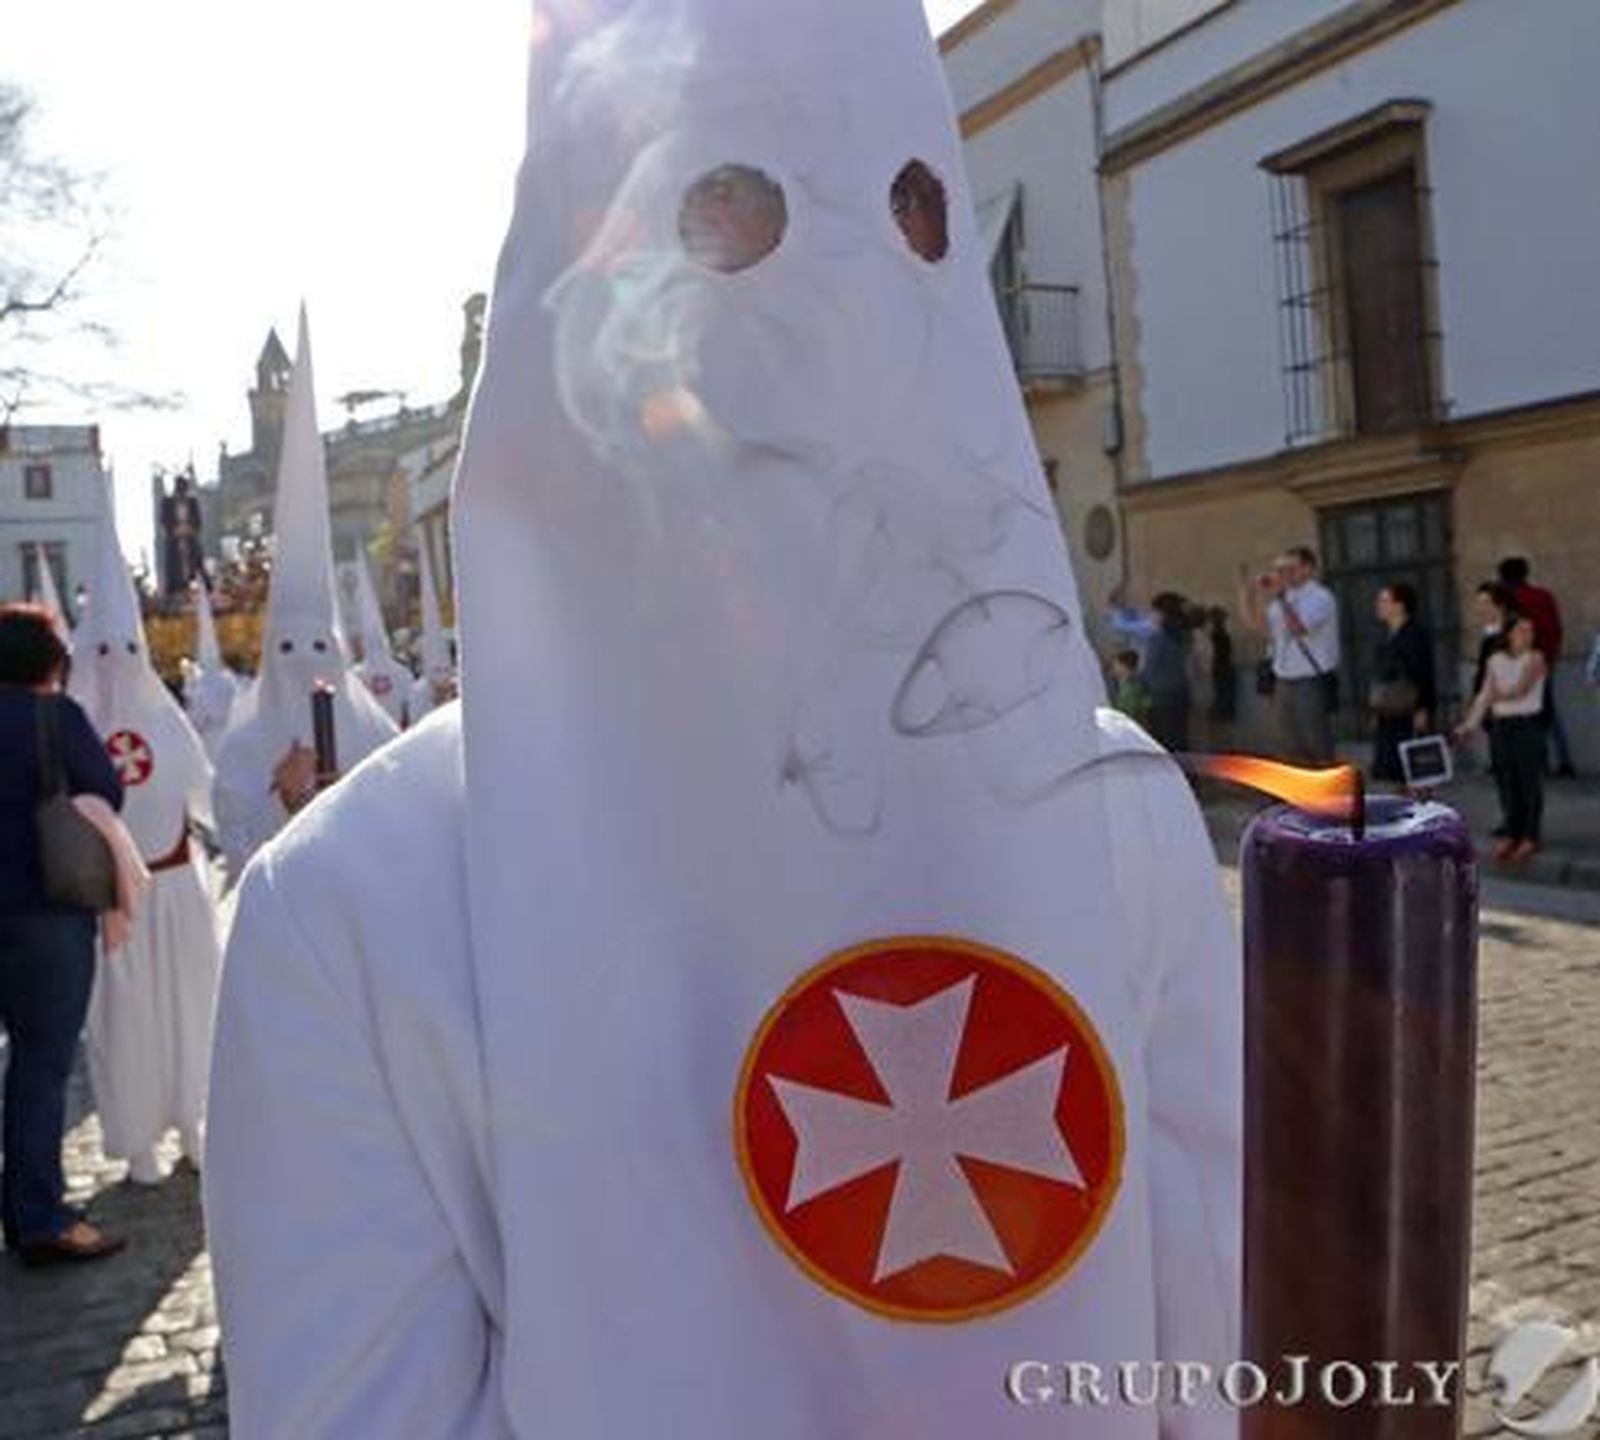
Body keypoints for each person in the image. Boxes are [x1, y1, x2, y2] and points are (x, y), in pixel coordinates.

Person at [206, 5, 1241, 1436]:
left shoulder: (1113, 811)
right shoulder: (354, 911)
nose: (846, 300)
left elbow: (1219, 1341)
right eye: (730, 217)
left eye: (908, 217)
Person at [212, 309, 398, 878]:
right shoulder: (243, 746)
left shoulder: (377, 736)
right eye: (287, 649)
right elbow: (236, 839)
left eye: (318, 647)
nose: (303, 664)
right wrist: (284, 801)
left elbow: (404, 817)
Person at [71, 491, 222, 1186]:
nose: (115, 662)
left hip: (178, 886)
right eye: (102, 649)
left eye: (127, 649)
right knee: (126, 1024)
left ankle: (194, 1119)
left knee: (192, 1011)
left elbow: (206, 795)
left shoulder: (168, 723)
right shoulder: (70, 727)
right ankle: (137, 1140)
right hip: (113, 907)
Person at [0, 603, 126, 1264]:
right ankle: (37, 1213)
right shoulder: (56, 719)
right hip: (46, 910)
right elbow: (107, 793)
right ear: (51, 662)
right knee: (40, 1067)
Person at [1455, 613, 1547, 862]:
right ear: (1509, 634)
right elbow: (1485, 694)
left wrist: (1498, 694)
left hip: (1527, 724)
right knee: (1507, 781)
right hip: (1501, 726)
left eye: (1530, 630)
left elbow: (1521, 689)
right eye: (1521, 630)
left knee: (1529, 782)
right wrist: (1469, 724)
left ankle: (1530, 836)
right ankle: (1512, 833)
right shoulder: (1495, 660)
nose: (1527, 635)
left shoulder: (1536, 658)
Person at [1240, 547, 1340, 765]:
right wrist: (1249, 594)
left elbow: (1299, 628)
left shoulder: (1320, 597)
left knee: (1315, 740)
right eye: (1278, 569)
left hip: (1309, 679)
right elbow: (1261, 629)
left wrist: (1281, 598)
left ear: (1307, 569)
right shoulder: (1282, 600)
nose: (1282, 574)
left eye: (1289, 568)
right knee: (1287, 742)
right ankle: (1301, 794)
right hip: (1283, 679)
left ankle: (1330, 793)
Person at [1498, 556, 1576, 777]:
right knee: (1549, 713)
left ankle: (1537, 764)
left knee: (1525, 716)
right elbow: (1556, 628)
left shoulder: (1512, 601)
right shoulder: (1544, 596)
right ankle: (1563, 760)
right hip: (1547, 660)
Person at [1368, 582, 1436, 785]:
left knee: (1414, 771)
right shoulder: (1386, 635)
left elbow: (1424, 673)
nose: (1378, 605)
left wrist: (1423, 709)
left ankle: (1419, 812)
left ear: (1400, 605)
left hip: (1408, 711)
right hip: (1388, 711)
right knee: (1394, 771)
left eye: (1384, 600)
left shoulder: (1415, 635)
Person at [1141, 592, 1193, 752]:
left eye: (1153, 612)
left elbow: (1149, 669)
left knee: (1163, 744)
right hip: (1181, 692)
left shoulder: (1157, 638)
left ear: (1162, 614)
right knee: (1179, 740)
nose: (1151, 616)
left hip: (1161, 697)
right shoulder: (1184, 635)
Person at [1207, 607, 1237, 727]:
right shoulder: (1224, 635)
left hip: (1219, 671)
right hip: (1225, 670)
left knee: (1219, 705)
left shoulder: (1214, 636)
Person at [1109, 648, 1151, 727]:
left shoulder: (1133, 687)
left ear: (1124, 666)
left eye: (1117, 664)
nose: (1114, 667)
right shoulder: (1123, 684)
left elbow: (1129, 711)